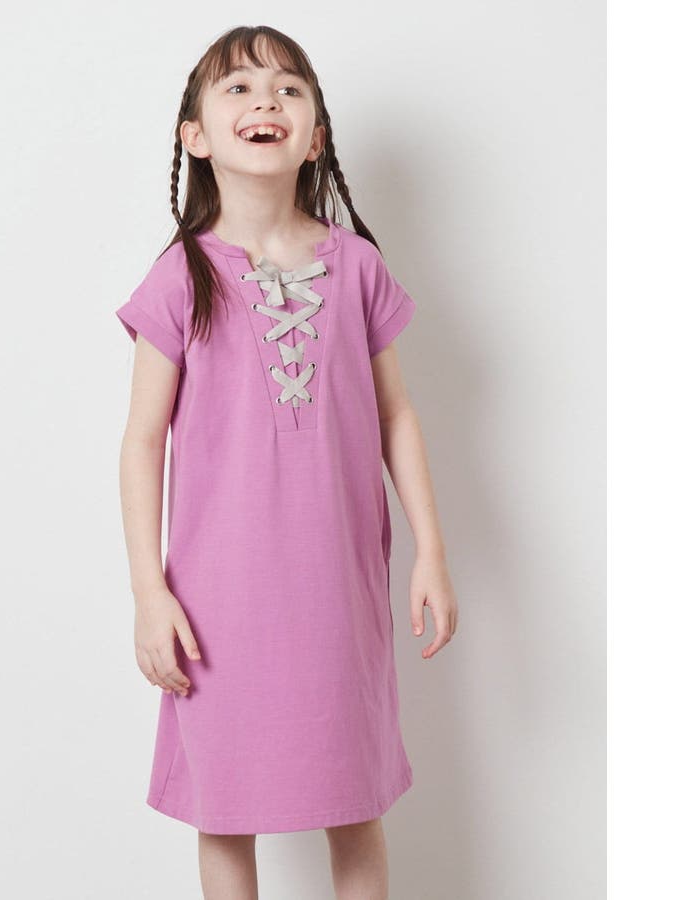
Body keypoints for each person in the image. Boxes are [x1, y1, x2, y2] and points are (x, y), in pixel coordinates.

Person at [116, 24, 459, 899]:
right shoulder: (179, 276)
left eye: (288, 87)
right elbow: (141, 440)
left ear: (315, 137)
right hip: (216, 602)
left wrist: (431, 550)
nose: (265, 99)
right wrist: (150, 592)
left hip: (337, 590)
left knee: (356, 798)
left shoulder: (357, 268)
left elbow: (396, 414)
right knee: (224, 808)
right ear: (195, 135)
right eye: (237, 87)